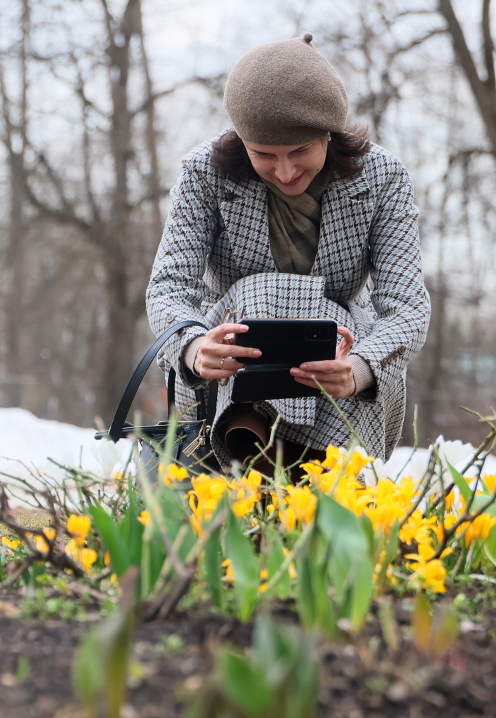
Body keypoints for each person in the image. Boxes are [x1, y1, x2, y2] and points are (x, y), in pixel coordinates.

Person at [146, 34, 430, 468]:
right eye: (264, 154)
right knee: (257, 292)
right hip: (229, 357)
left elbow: (407, 306)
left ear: (329, 135)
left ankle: (316, 476)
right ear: (242, 141)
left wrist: (359, 367)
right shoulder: (204, 174)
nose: (285, 171)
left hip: (336, 355)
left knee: (330, 322)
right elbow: (168, 288)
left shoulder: (382, 179)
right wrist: (195, 348)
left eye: (301, 151)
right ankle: (240, 458)